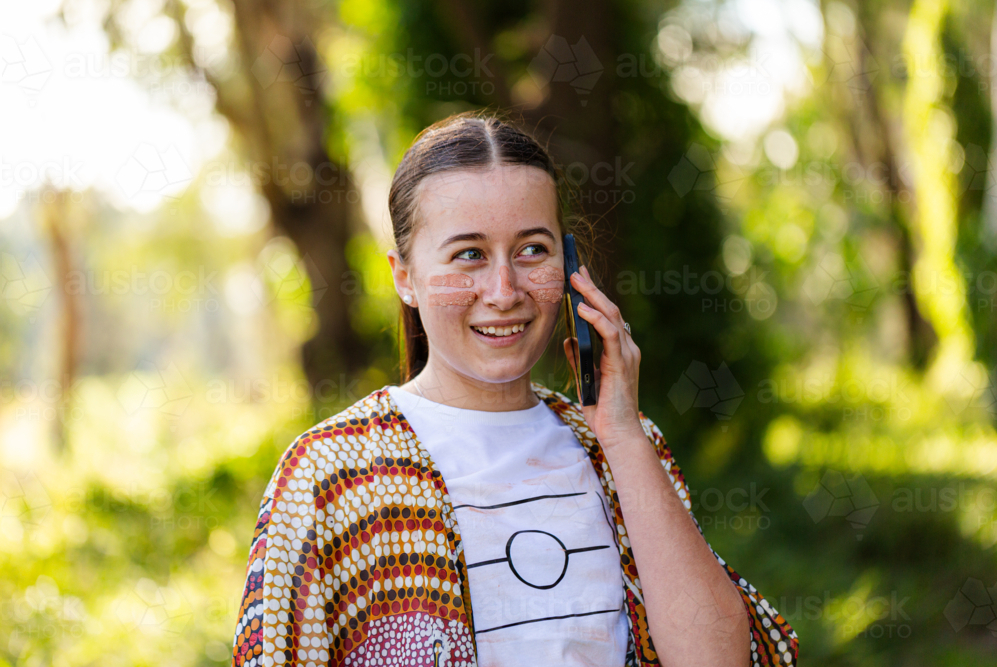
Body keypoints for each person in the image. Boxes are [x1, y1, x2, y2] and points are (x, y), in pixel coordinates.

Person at [230, 111, 797, 667]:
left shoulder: (622, 450)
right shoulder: (328, 476)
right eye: (469, 255)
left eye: (532, 250)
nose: (503, 291)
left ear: (570, 265)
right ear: (404, 277)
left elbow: (720, 658)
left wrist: (621, 434)